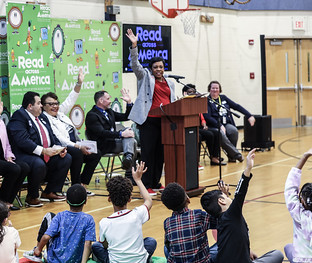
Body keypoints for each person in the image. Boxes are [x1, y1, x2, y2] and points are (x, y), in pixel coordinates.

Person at [200, 149, 284, 263]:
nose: (230, 198)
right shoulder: (231, 215)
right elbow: (240, 193)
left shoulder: (220, 220)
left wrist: (225, 195)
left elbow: (236, 238)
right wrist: (248, 168)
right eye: (226, 196)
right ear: (221, 201)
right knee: (278, 254)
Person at [126, 28, 176, 195]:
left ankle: (156, 182)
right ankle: (146, 183)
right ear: (151, 68)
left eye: (161, 67)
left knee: (160, 154)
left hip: (165, 122)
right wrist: (134, 46)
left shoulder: (170, 82)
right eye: (155, 67)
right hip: (149, 121)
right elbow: (135, 65)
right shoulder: (145, 77)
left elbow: (173, 101)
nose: (158, 69)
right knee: (148, 154)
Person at [41, 69, 101, 196]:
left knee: (95, 154)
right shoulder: (45, 118)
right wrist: (79, 146)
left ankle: (83, 184)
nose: (55, 106)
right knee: (77, 152)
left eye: (56, 103)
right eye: (50, 104)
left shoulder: (60, 112)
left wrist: (79, 83)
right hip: (64, 146)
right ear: (43, 106)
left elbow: (71, 99)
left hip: (75, 143)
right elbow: (61, 139)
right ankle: (75, 187)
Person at [7, 91, 72, 206]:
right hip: (24, 154)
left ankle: (49, 191)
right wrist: (43, 150)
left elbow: (51, 135)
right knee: (38, 163)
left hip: (44, 153)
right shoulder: (19, 116)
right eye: (39, 103)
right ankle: (32, 196)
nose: (41, 105)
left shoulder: (42, 117)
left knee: (66, 158)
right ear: (30, 106)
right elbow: (23, 140)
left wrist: (60, 148)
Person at [91, 161, 157, 263]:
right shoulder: (137, 214)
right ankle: (146, 258)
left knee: (96, 246)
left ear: (109, 199)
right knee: (151, 241)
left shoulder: (105, 222)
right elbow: (148, 200)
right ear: (130, 199)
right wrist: (138, 180)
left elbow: (105, 245)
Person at [23, 184, 96, 263]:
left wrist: (38, 249)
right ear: (86, 201)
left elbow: (46, 237)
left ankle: (39, 254)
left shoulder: (60, 216)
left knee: (49, 216)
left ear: (66, 200)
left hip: (55, 262)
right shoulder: (89, 219)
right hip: (76, 262)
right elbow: (88, 244)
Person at [161, 182, 220, 263]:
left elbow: (168, 246)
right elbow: (220, 221)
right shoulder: (198, 215)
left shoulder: (167, 222)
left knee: (166, 248)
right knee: (220, 246)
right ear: (187, 199)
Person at [203, 81, 255, 163]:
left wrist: (249, 115)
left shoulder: (223, 98)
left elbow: (236, 106)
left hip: (226, 123)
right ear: (209, 89)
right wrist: (219, 125)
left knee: (233, 131)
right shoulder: (207, 101)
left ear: (220, 89)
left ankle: (231, 157)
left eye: (217, 88)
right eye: (213, 88)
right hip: (214, 125)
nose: (215, 90)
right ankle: (236, 154)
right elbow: (207, 117)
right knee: (221, 133)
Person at [85, 89, 135, 171]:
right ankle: (129, 168)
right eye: (108, 99)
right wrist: (121, 134)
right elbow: (102, 133)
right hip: (102, 146)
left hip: (113, 142)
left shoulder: (109, 111)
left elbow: (126, 117)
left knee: (129, 131)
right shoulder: (92, 115)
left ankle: (128, 159)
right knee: (133, 142)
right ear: (101, 100)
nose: (110, 101)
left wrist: (129, 103)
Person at [182, 84, 226, 167]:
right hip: (188, 128)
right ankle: (196, 162)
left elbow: (201, 116)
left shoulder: (196, 103)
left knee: (215, 133)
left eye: (193, 92)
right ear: (184, 93)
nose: (192, 94)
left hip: (199, 127)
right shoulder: (182, 104)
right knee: (198, 137)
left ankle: (214, 157)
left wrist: (204, 124)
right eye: (189, 92)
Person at [284, 148, 312, 263]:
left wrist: (305, 157)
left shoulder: (299, 214)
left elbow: (290, 187)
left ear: (302, 201)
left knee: (288, 247)